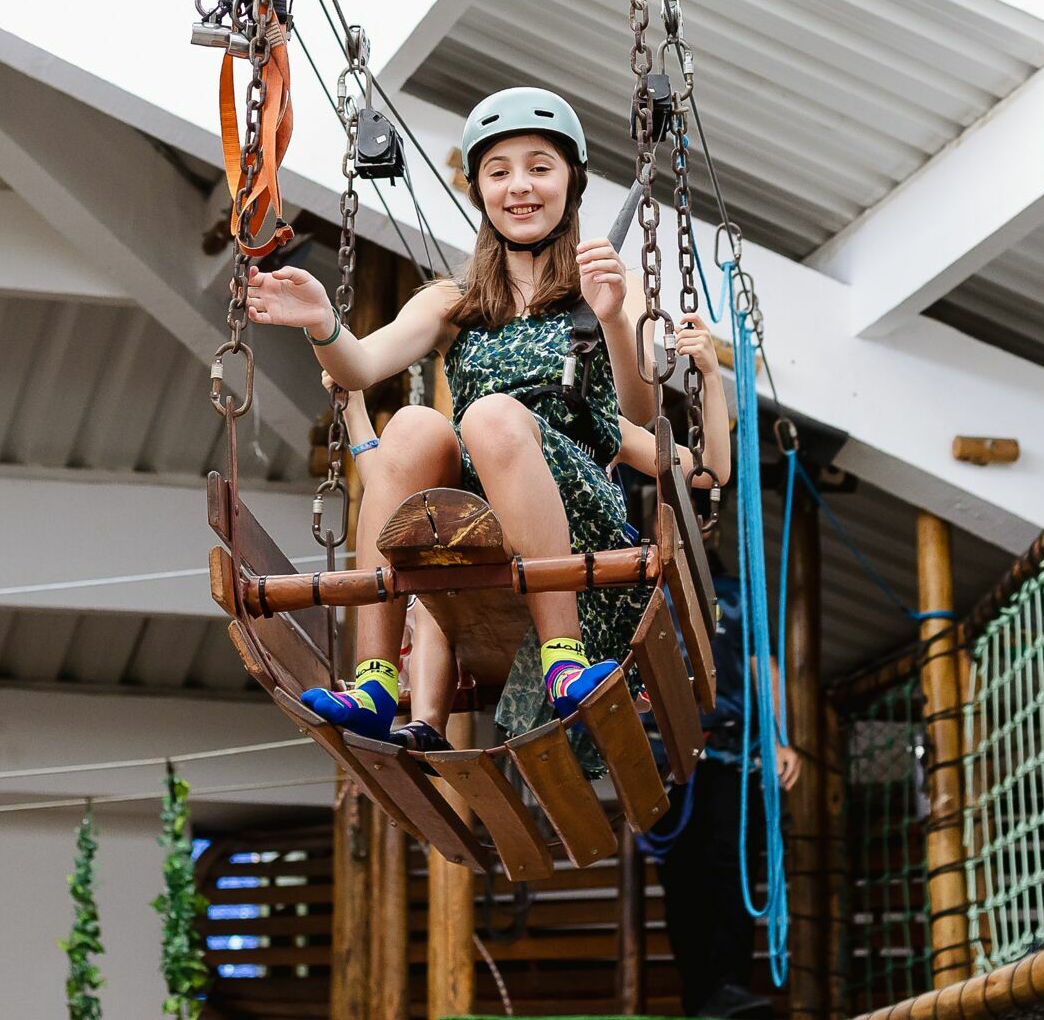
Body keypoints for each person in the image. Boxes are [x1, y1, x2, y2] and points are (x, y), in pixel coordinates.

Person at [244, 87, 660, 756]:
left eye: (539, 167)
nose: (519, 186)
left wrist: (612, 315)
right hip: (475, 513)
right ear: (481, 192)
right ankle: (376, 680)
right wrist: (325, 324)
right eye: (499, 172)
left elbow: (642, 412)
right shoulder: (453, 299)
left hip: (575, 507)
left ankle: (563, 657)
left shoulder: (607, 283)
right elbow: (361, 364)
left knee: (493, 417)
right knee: (411, 426)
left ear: (570, 183)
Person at [387, 312, 734, 753]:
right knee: (441, 581)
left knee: (455, 578)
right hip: (492, 576)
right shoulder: (485, 434)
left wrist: (709, 376)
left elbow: (710, 471)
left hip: (567, 574)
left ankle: (553, 671)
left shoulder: (601, 427)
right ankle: (427, 722)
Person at [649, 550, 801, 1019]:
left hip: (732, 755)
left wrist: (780, 740)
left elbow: (765, 668)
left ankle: (729, 988)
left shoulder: (735, 595)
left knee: (730, 866)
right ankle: (702, 996)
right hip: (666, 759)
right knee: (682, 879)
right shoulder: (638, 590)